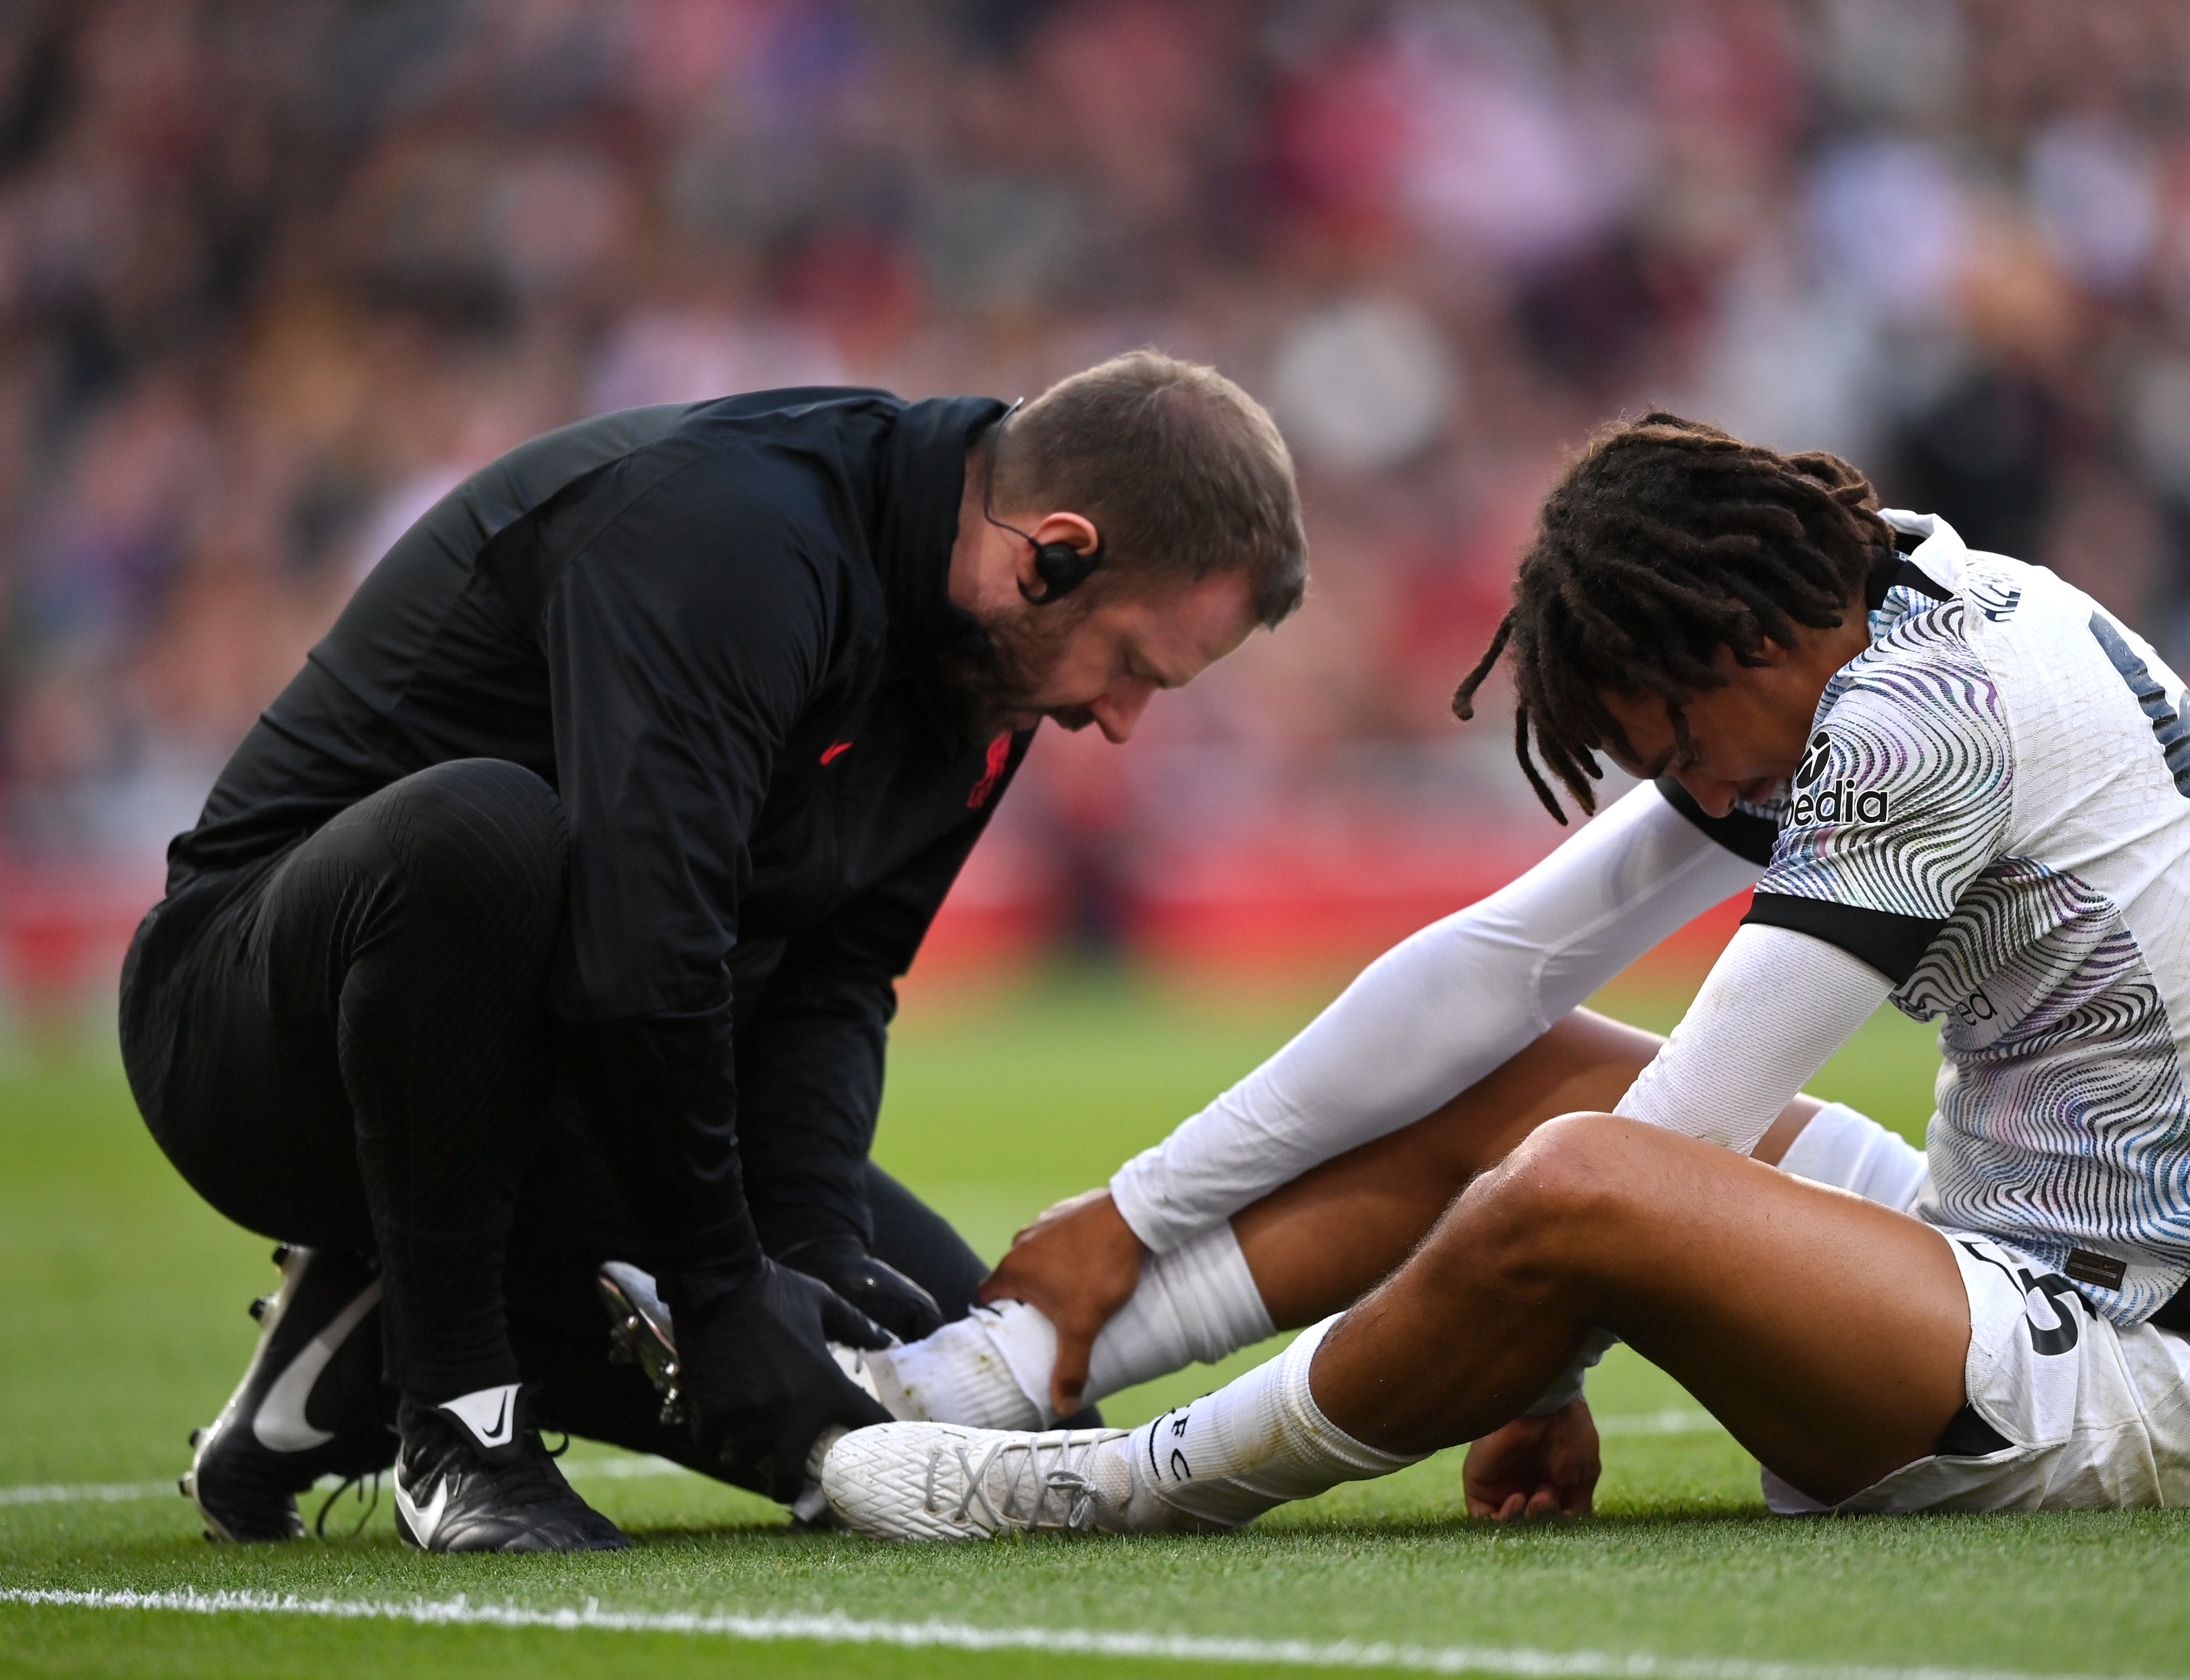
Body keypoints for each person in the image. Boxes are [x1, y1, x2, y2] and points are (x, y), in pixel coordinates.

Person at [808, 413, 2190, 1538]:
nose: (1686, 785)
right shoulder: (1883, 613)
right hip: (1998, 1259)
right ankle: (985, 1372)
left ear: (1737, 643)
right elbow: (1497, 966)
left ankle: (1121, 1478)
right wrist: (1135, 1207)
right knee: (1534, 1080)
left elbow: (1672, 1138)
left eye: (1675, 745)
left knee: (1579, 1170)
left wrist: (1537, 1337)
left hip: (2141, 1380)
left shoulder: (1918, 730)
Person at [123, 352, 1306, 1552]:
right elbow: (643, 955)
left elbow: (836, 981)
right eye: (1133, 667)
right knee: (485, 834)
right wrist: (722, 1290)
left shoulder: (985, 663)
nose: (1118, 720)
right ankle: (456, 1414)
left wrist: (808, 1251)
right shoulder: (735, 539)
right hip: (257, 1039)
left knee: (1018, 1443)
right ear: (1051, 551)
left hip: (565, 1075)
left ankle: (353, 1351)